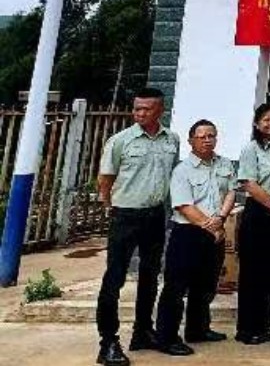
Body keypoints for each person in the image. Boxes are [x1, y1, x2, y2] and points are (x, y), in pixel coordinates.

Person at [95, 87, 180, 366]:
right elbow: (105, 178)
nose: (140, 113)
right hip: (125, 216)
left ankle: (143, 330)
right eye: (137, 109)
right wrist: (110, 207)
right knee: (114, 278)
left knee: (150, 274)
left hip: (155, 215)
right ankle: (108, 341)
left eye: (147, 109)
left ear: (160, 111)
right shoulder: (121, 141)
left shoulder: (172, 139)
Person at [153, 119, 237, 356]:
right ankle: (166, 338)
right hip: (188, 233)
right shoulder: (182, 170)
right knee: (176, 287)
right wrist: (213, 228)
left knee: (206, 285)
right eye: (201, 136)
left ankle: (198, 329)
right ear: (191, 141)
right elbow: (183, 206)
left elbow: (231, 191)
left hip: (215, 231)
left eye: (211, 135)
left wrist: (221, 217)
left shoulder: (225, 164)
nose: (207, 140)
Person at [234, 102, 270, 346]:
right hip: (259, 212)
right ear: (257, 124)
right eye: (266, 119)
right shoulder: (251, 149)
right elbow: (249, 183)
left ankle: (265, 326)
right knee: (253, 273)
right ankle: (247, 329)